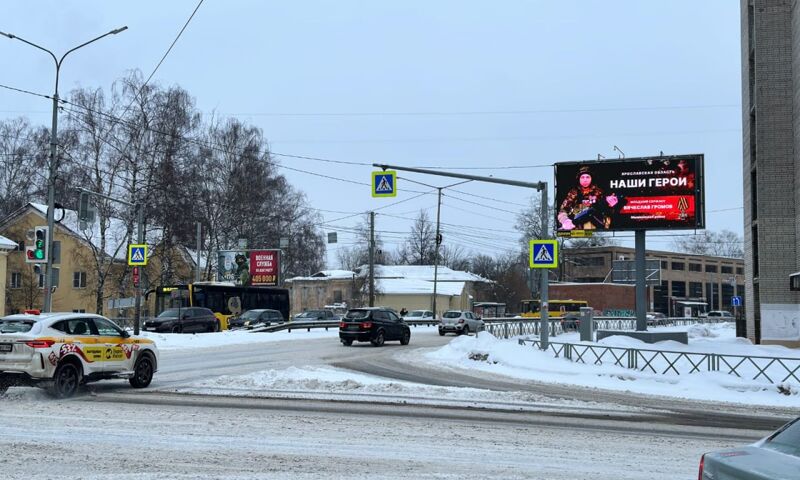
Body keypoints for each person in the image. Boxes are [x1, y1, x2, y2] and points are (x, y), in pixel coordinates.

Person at [558, 165, 618, 230]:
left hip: (597, 230)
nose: (585, 180)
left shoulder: (599, 192)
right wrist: (565, 221)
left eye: (587, 177)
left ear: (592, 178)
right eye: (582, 177)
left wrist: (610, 206)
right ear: (579, 179)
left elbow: (609, 212)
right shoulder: (574, 193)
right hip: (578, 230)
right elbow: (562, 210)